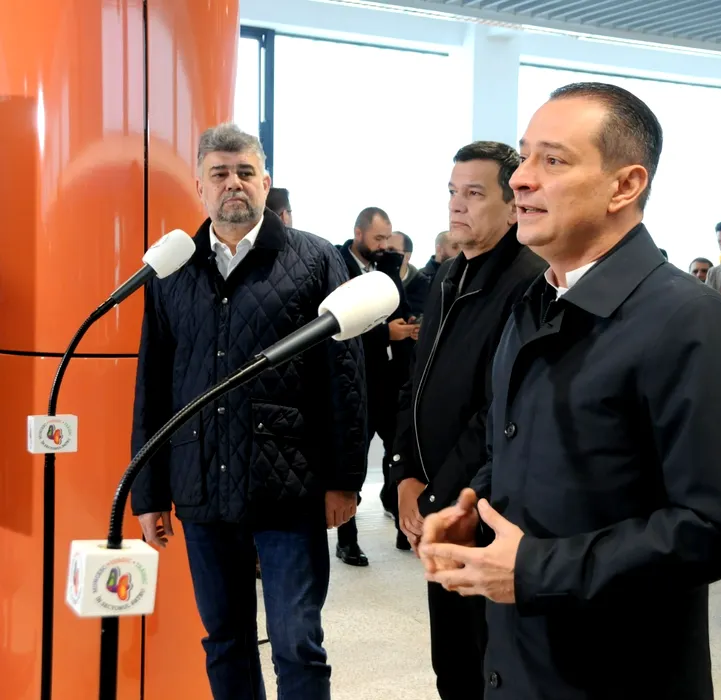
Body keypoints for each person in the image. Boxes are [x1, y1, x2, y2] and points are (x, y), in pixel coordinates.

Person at [419, 82, 721, 699]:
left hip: (616, 673)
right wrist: (476, 501)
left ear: (624, 186)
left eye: (552, 160)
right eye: (525, 156)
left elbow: (716, 529)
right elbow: (518, 446)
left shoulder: (692, 323)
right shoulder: (534, 303)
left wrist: (534, 569)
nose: (520, 179)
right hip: (518, 659)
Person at [130, 123, 367, 700]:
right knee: (224, 640)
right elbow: (153, 385)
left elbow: (345, 377)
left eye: (244, 172)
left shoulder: (315, 259)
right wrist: (148, 491)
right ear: (200, 187)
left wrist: (344, 480)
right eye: (219, 173)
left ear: (266, 181)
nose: (232, 183)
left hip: (289, 484)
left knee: (297, 643)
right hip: (201, 482)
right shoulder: (172, 269)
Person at [391, 140, 546, 700]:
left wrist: (436, 497)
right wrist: (403, 474)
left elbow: (500, 410)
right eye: (453, 191)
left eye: (474, 193)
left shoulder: (529, 282)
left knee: (488, 668)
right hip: (437, 503)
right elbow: (416, 384)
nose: (457, 204)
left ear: (513, 206)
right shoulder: (448, 275)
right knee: (451, 665)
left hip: (482, 509)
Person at [335, 208, 413, 563]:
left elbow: (401, 309)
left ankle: (404, 527)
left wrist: (406, 324)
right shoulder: (336, 265)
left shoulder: (385, 268)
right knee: (353, 459)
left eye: (387, 239)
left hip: (390, 380)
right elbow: (339, 327)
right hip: (354, 380)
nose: (384, 245)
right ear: (359, 233)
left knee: (398, 452)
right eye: (378, 238)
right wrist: (385, 333)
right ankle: (347, 539)